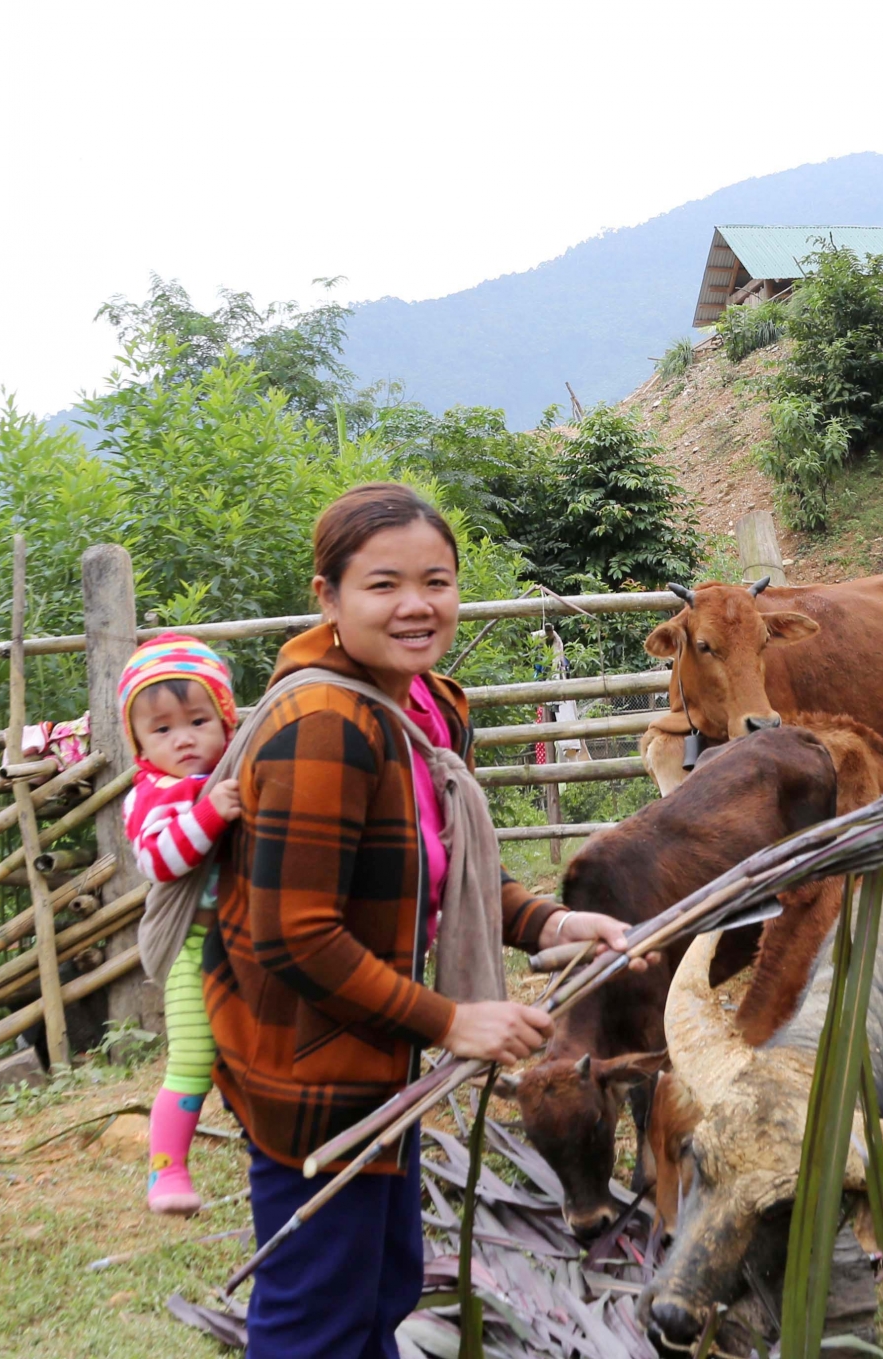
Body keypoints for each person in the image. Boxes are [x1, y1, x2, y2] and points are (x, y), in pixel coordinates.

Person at [203, 483, 652, 1357]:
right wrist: (453, 1018)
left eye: (436, 580)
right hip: (311, 1077)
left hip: (382, 1058)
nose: (416, 604)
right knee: (315, 1323)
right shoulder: (322, 725)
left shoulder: (426, 705)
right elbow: (293, 934)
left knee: (384, 1289)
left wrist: (557, 925)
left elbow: (445, 875)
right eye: (383, 584)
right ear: (327, 597)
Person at [119, 633, 241, 1215]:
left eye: (198, 719)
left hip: (252, 937)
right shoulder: (153, 795)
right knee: (192, 1057)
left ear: (226, 719)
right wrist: (213, 812)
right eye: (162, 729)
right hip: (193, 944)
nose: (184, 739)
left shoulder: (241, 770)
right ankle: (167, 1172)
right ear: (139, 743)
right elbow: (162, 861)